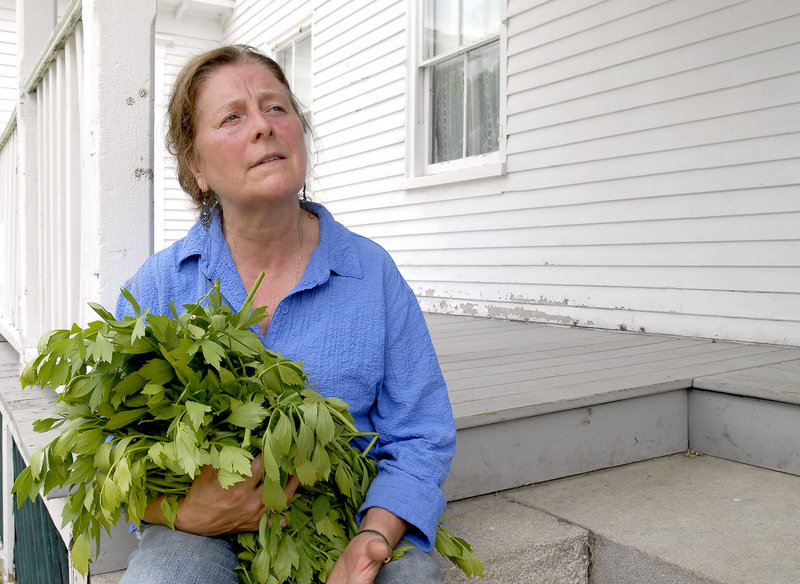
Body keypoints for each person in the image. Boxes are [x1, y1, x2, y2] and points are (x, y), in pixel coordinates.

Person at [115, 44, 456, 584]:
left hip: (344, 516)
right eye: (232, 117)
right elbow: (114, 448)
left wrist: (375, 534)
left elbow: (421, 431)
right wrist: (183, 512)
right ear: (197, 168)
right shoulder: (161, 288)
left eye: (277, 108)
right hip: (201, 533)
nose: (263, 127)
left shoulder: (370, 273)